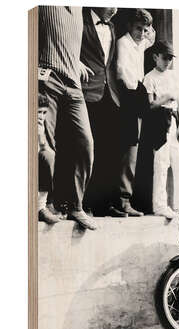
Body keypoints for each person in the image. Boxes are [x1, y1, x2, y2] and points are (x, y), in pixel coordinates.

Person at [38, 5, 97, 230]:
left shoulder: (79, 8)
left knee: (85, 144)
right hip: (46, 78)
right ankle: (40, 204)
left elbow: (65, 37)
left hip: (73, 85)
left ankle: (74, 206)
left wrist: (76, 60)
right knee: (45, 144)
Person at [80, 7, 124, 217]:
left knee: (109, 151)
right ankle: (83, 202)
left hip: (110, 94)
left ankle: (103, 204)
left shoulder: (113, 26)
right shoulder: (80, 20)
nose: (115, 9)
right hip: (88, 91)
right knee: (88, 149)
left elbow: (110, 62)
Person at [115, 8, 156, 216]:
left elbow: (152, 36)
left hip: (138, 95)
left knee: (138, 147)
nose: (142, 33)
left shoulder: (141, 43)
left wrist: (148, 27)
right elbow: (120, 70)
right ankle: (122, 200)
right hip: (130, 94)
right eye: (138, 28)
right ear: (130, 26)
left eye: (144, 29)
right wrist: (136, 88)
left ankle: (127, 198)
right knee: (129, 149)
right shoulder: (123, 42)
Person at [143, 40, 179, 218]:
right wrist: (166, 96)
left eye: (170, 58)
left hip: (174, 121)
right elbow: (149, 105)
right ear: (155, 57)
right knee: (161, 164)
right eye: (165, 58)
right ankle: (160, 206)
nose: (168, 62)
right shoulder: (149, 78)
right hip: (158, 122)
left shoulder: (174, 76)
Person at [38, 92, 59, 224]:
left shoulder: (40, 126)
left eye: (44, 113)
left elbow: (43, 147)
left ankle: (41, 206)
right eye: (39, 112)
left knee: (49, 156)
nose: (41, 117)